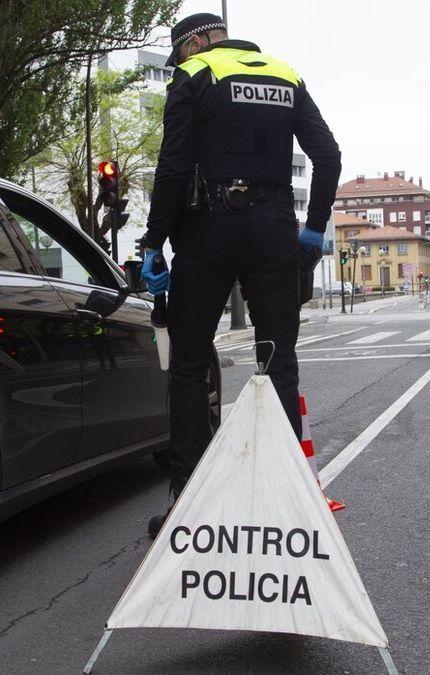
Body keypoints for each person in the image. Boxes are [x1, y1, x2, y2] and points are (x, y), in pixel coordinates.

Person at [140, 13, 341, 538]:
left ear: (198, 41)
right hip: (274, 227)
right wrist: (313, 228)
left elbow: (174, 166)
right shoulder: (285, 74)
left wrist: (152, 241)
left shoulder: (196, 74)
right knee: (278, 362)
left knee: (187, 362)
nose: (180, 61)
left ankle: (189, 505)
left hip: (208, 227)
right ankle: (284, 505)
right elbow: (328, 154)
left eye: (180, 51)